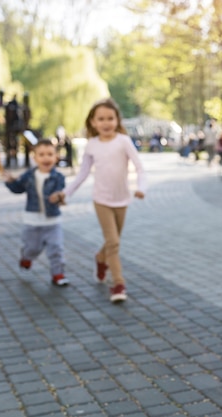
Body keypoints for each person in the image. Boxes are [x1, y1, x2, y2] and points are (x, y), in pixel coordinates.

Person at [56, 98, 147, 303]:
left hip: (122, 200)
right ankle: (118, 284)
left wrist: (141, 189)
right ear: (93, 122)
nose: (106, 123)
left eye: (110, 118)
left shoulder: (123, 141)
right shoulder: (92, 146)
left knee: (112, 242)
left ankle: (100, 258)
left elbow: (140, 167)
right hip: (102, 200)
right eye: (101, 119)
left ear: (117, 120)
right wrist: (66, 193)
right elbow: (82, 174)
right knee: (114, 243)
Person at [3, 139, 68, 287]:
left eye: (50, 154)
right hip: (32, 221)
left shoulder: (59, 177)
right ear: (35, 158)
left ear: (56, 157)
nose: (46, 158)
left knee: (56, 248)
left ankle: (58, 274)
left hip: (52, 221)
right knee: (33, 248)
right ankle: (26, 256)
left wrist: (58, 196)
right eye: (42, 154)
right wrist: (11, 181)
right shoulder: (29, 175)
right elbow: (18, 188)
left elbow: (61, 191)